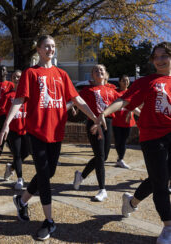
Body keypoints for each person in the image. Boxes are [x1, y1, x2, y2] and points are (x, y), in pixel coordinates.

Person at [0, 35, 101, 240]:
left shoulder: (62, 74)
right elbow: (19, 99)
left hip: (56, 131)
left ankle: (22, 200)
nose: (50, 49)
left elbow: (77, 99)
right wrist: (7, 122)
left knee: (50, 171)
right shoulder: (31, 73)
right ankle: (49, 220)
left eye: (53, 47)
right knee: (44, 175)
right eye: (47, 46)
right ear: (38, 49)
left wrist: (95, 116)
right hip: (37, 131)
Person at [96, 42, 171, 244]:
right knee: (161, 183)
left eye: (164, 55)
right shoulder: (148, 82)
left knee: (158, 179)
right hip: (153, 138)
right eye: (156, 57)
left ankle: (131, 202)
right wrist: (104, 113)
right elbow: (125, 101)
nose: (160, 60)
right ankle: (168, 227)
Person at [73, 64, 120, 202]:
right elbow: (76, 100)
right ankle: (102, 189)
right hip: (94, 123)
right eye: (95, 70)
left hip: (108, 123)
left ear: (106, 74)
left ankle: (81, 176)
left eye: (101, 70)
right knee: (99, 156)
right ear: (92, 76)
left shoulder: (112, 90)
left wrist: (141, 112)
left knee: (103, 157)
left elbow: (126, 102)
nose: (98, 71)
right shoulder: (88, 90)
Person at [112, 75, 136, 169]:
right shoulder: (115, 92)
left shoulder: (132, 92)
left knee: (124, 141)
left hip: (128, 120)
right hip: (117, 120)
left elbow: (134, 103)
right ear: (119, 82)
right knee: (118, 141)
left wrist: (130, 111)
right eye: (123, 80)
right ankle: (120, 159)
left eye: (127, 80)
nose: (126, 82)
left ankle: (120, 159)